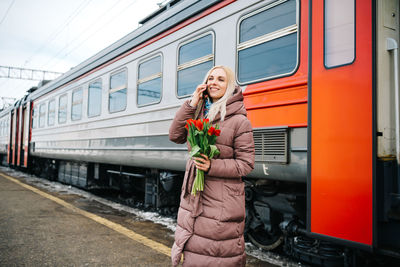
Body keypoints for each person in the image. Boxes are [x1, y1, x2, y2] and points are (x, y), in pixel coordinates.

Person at [169, 65, 255, 266]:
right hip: (194, 197)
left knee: (215, 256)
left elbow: (246, 164)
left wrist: (211, 166)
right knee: (192, 252)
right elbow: (175, 136)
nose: (214, 82)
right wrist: (192, 103)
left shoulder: (239, 121)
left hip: (221, 202)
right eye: (210, 78)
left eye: (220, 79)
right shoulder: (198, 113)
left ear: (230, 85)